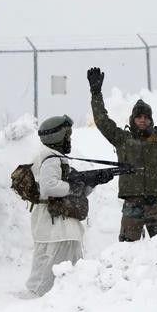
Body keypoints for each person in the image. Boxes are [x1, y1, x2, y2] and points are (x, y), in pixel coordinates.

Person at [87, 66, 157, 241]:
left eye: (146, 117)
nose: (143, 120)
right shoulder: (122, 139)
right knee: (127, 250)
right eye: (139, 117)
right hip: (132, 205)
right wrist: (96, 93)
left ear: (151, 120)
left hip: (156, 205)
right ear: (133, 120)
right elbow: (102, 120)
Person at [24, 115, 112, 297]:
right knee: (59, 259)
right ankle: (46, 295)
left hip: (51, 218)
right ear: (57, 137)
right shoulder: (51, 158)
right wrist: (74, 186)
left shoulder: (50, 157)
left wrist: (93, 182)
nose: (69, 139)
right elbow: (50, 186)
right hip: (55, 220)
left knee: (46, 260)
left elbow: (71, 190)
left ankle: (40, 292)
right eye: (67, 136)